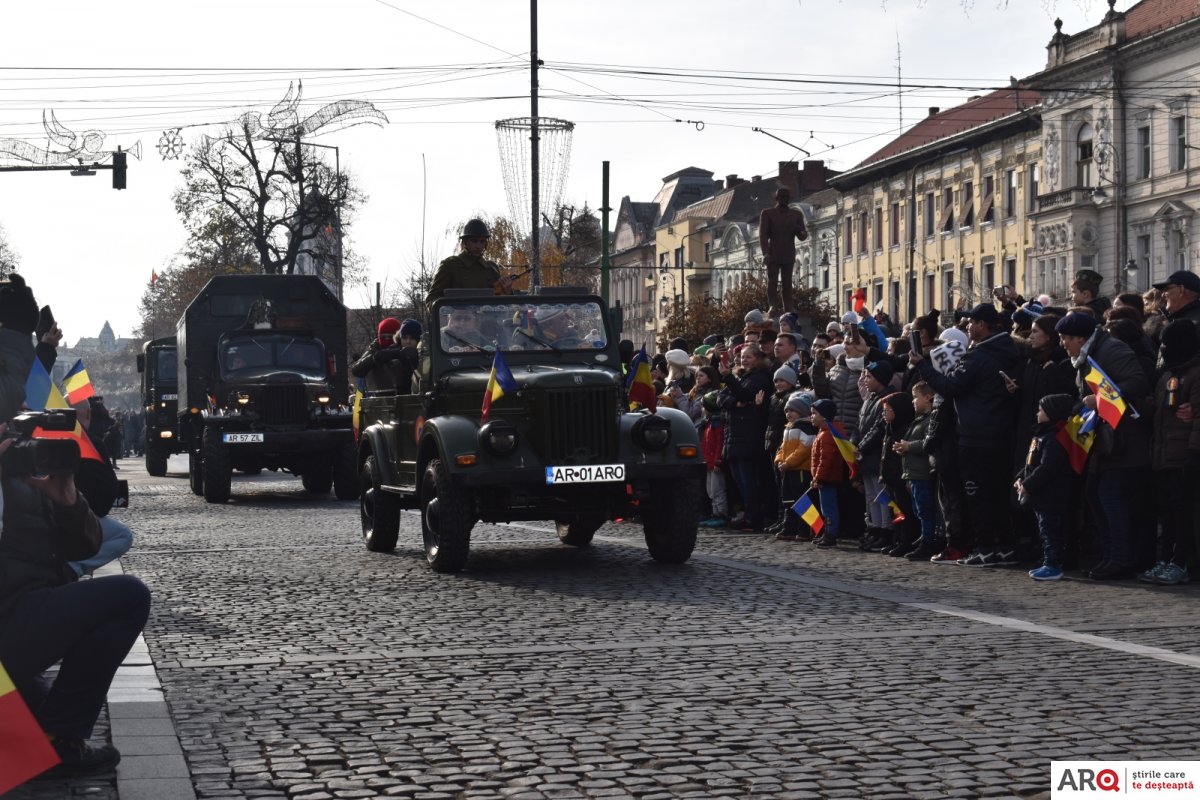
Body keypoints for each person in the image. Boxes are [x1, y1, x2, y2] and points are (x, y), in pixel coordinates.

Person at [0, 274, 151, 776]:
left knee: (122, 570)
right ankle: (57, 735)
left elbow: (80, 542)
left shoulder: (22, 460)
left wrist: (65, 500)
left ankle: (57, 736)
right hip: (11, 615)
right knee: (128, 596)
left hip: (22, 609)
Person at [913, 302, 1022, 566]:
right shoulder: (1011, 350)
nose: (967, 327)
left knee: (977, 495)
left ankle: (985, 547)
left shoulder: (978, 356)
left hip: (977, 435)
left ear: (982, 326)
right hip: (1001, 433)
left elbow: (951, 387)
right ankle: (1005, 547)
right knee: (996, 494)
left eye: (971, 322)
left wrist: (924, 367)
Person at [1055, 311, 1152, 580]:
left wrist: (1097, 401)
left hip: (1125, 441)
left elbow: (1137, 382)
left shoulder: (1111, 350)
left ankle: (1120, 559)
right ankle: (1109, 557)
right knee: (1096, 496)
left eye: (1065, 338)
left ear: (1081, 338)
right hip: (1105, 441)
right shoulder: (1086, 356)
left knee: (1110, 498)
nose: (1062, 344)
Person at [1142, 320, 1200, 585]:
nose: (1163, 348)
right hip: (1163, 453)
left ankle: (1180, 561)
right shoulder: (1167, 374)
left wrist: (1192, 454)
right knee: (1166, 512)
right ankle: (1164, 559)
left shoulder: (1195, 373)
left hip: (1183, 454)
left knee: (1183, 512)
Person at [1015, 393, 1077, 581]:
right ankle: (1049, 560)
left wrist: (1028, 484)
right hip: (1041, 494)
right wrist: (1020, 478)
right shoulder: (1041, 434)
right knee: (1044, 528)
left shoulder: (1055, 437)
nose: (1037, 413)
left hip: (1051, 494)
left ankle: (1053, 564)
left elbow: (1047, 467)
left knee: (1049, 530)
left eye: (1041, 410)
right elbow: (1031, 463)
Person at [893, 381, 938, 561]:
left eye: (915, 397)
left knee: (925, 509)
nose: (913, 401)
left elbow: (928, 442)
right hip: (912, 472)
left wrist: (908, 446)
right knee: (918, 509)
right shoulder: (918, 419)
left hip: (922, 472)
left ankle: (928, 541)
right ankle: (923, 537)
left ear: (927, 398)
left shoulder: (930, 419)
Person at [425, 218, 513, 307]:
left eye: (482, 241)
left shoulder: (491, 268)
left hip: (487, 320)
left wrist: (507, 292)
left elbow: (501, 305)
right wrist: (445, 311)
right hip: (459, 319)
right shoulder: (450, 266)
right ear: (465, 242)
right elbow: (431, 299)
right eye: (474, 241)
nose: (478, 246)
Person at [772, 392, 816, 541]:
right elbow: (782, 448)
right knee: (789, 500)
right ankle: (789, 527)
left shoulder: (806, 427)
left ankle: (806, 529)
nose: (788, 413)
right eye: (787, 411)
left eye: (792, 410)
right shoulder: (789, 428)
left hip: (801, 470)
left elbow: (804, 448)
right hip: (789, 470)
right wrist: (779, 460)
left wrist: (788, 462)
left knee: (802, 501)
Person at [758, 187, 808, 316]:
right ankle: (772, 306)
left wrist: (798, 229)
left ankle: (788, 307)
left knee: (787, 281)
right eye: (782, 196)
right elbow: (763, 234)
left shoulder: (796, 214)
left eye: (786, 197)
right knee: (772, 281)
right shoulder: (768, 213)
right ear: (777, 198)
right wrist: (765, 253)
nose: (784, 199)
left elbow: (802, 236)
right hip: (773, 251)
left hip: (788, 252)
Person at [808, 399, 843, 547]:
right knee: (826, 507)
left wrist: (818, 477)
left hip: (827, 478)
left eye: (814, 413)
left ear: (824, 416)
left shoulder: (828, 434)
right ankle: (827, 532)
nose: (811, 416)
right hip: (824, 478)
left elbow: (826, 459)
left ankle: (830, 534)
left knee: (829, 508)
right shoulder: (823, 432)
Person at [352, 317, 421, 393]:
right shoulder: (375, 349)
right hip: (377, 397)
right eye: (383, 337)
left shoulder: (408, 350)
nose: (386, 340)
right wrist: (373, 358)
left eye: (390, 337)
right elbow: (356, 370)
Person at [697, 391, 729, 528]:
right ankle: (714, 513)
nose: (702, 409)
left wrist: (717, 461)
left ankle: (721, 514)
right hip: (708, 462)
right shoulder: (709, 422)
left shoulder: (717, 423)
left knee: (717, 490)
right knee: (711, 491)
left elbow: (718, 443)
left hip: (714, 463)